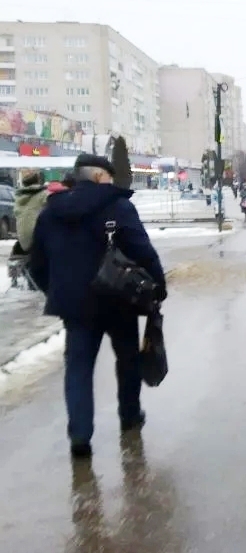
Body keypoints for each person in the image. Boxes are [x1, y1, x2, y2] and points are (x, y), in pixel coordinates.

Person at [30, 154, 167, 459]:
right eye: (108, 176)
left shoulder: (51, 212)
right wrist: (159, 286)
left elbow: (36, 263)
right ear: (97, 177)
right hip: (118, 299)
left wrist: (57, 292)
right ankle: (129, 416)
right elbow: (143, 251)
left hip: (76, 308)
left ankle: (80, 437)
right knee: (127, 361)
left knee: (78, 369)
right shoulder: (117, 206)